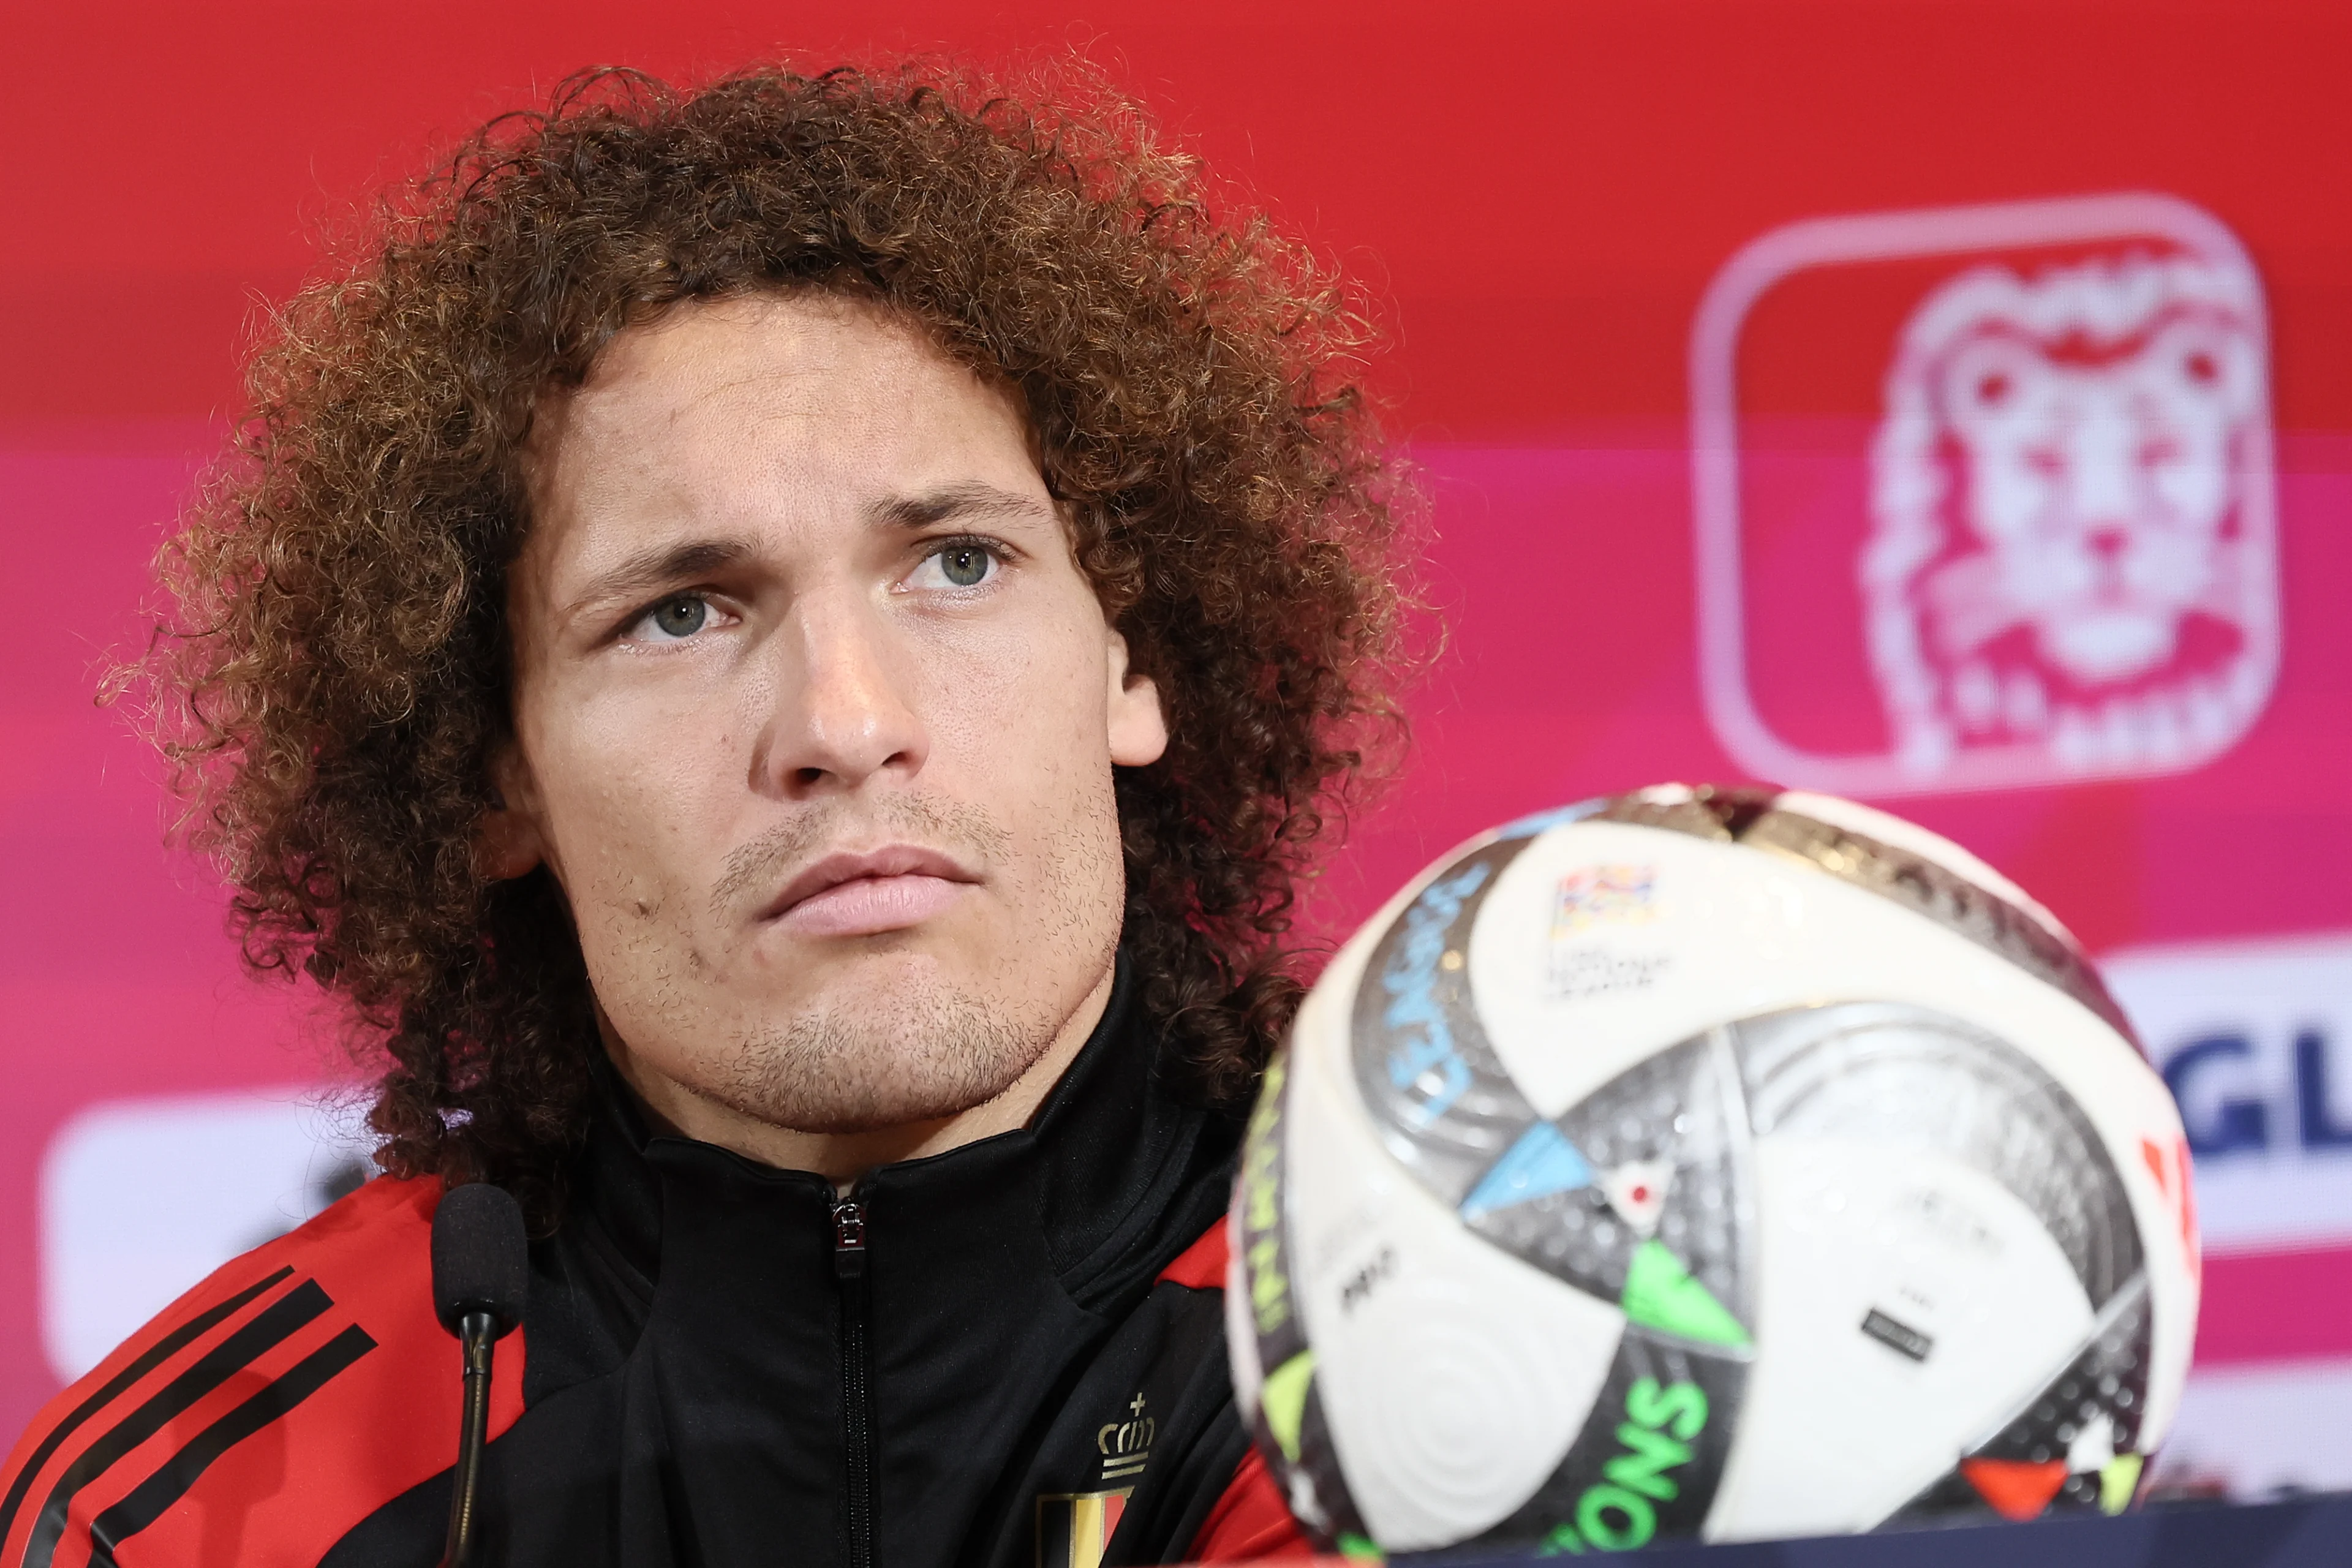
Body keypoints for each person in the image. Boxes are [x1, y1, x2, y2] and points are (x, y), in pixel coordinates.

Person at [0, 59, 1406, 1567]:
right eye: (682, 612)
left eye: (957, 563)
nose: (846, 724)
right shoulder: (202, 1509)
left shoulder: (1479, 1327)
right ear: (496, 777)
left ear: (1129, 659)